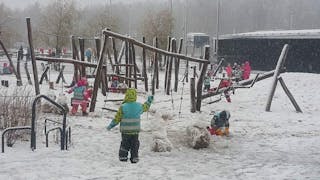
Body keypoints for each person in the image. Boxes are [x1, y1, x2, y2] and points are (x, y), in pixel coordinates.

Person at [106, 88, 154, 163]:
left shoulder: (123, 107)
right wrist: (149, 101)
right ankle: (134, 157)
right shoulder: (138, 106)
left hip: (125, 131)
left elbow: (117, 118)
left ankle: (123, 156)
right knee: (135, 144)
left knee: (125, 144)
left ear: (127, 96)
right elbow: (146, 107)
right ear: (135, 96)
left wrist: (110, 126)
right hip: (135, 131)